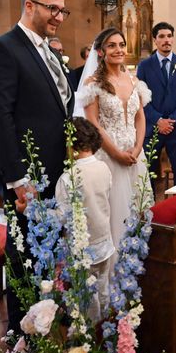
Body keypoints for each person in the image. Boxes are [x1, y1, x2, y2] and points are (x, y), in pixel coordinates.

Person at [0, 0, 74, 331]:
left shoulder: (48, 51)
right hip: (26, 175)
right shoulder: (2, 48)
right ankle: (23, 331)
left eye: (62, 10)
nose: (59, 17)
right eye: (53, 8)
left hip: (52, 170)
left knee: (47, 251)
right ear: (29, 6)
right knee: (23, 253)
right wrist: (18, 179)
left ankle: (46, 318)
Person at [79, 28, 151, 250]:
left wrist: (138, 147)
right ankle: (114, 269)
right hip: (108, 156)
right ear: (101, 52)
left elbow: (140, 117)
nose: (118, 49)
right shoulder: (94, 83)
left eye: (121, 44)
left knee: (138, 209)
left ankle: (136, 260)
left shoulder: (134, 80)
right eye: (112, 45)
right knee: (113, 213)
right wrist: (116, 153)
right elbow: (93, 123)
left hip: (134, 154)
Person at [55, 117, 114, 321]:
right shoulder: (104, 168)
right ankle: (107, 329)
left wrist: (31, 211)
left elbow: (60, 217)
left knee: (87, 298)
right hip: (105, 241)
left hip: (83, 248)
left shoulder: (68, 177)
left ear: (70, 144)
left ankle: (90, 336)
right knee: (104, 289)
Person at [136, 22, 176, 188]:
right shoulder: (145, 66)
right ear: (155, 40)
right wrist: (158, 120)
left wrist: (171, 120)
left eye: (169, 36)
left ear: (173, 39)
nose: (166, 40)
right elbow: (141, 97)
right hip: (152, 128)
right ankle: (150, 211)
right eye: (161, 36)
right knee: (150, 174)